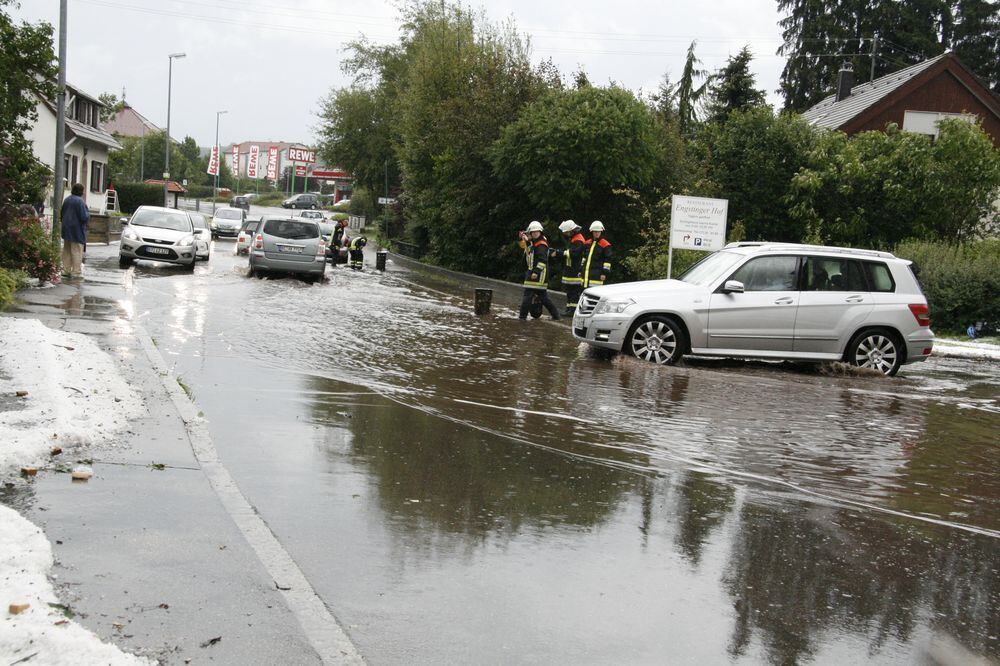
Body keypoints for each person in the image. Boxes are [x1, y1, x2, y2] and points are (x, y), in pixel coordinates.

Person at [517, 221, 560, 320]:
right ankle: (556, 315)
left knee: (528, 297)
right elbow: (524, 247)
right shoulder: (534, 243)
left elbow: (543, 260)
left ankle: (522, 318)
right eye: (533, 232)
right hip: (535, 274)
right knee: (543, 298)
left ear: (540, 232)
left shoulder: (541, 245)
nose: (535, 233)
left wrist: (536, 272)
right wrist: (521, 238)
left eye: (537, 232)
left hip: (537, 275)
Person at [556, 219, 586, 316]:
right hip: (571, 269)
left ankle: (572, 311)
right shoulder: (574, 239)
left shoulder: (578, 240)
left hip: (575, 270)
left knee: (573, 292)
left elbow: (573, 254)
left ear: (571, 231)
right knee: (570, 291)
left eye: (566, 232)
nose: (565, 234)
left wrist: (559, 253)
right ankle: (569, 309)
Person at [60, 183, 89, 279]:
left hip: (66, 228)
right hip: (77, 229)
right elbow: (84, 217)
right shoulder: (80, 201)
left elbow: (62, 214)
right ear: (81, 191)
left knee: (67, 250)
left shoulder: (67, 200)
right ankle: (76, 271)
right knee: (76, 250)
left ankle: (65, 270)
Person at [582, 220, 612, 289]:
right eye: (595, 231)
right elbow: (584, 258)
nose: (597, 233)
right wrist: (581, 270)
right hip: (586, 276)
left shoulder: (605, 245)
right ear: (592, 232)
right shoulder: (587, 243)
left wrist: (604, 273)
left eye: (599, 231)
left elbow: (607, 260)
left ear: (601, 232)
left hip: (597, 276)